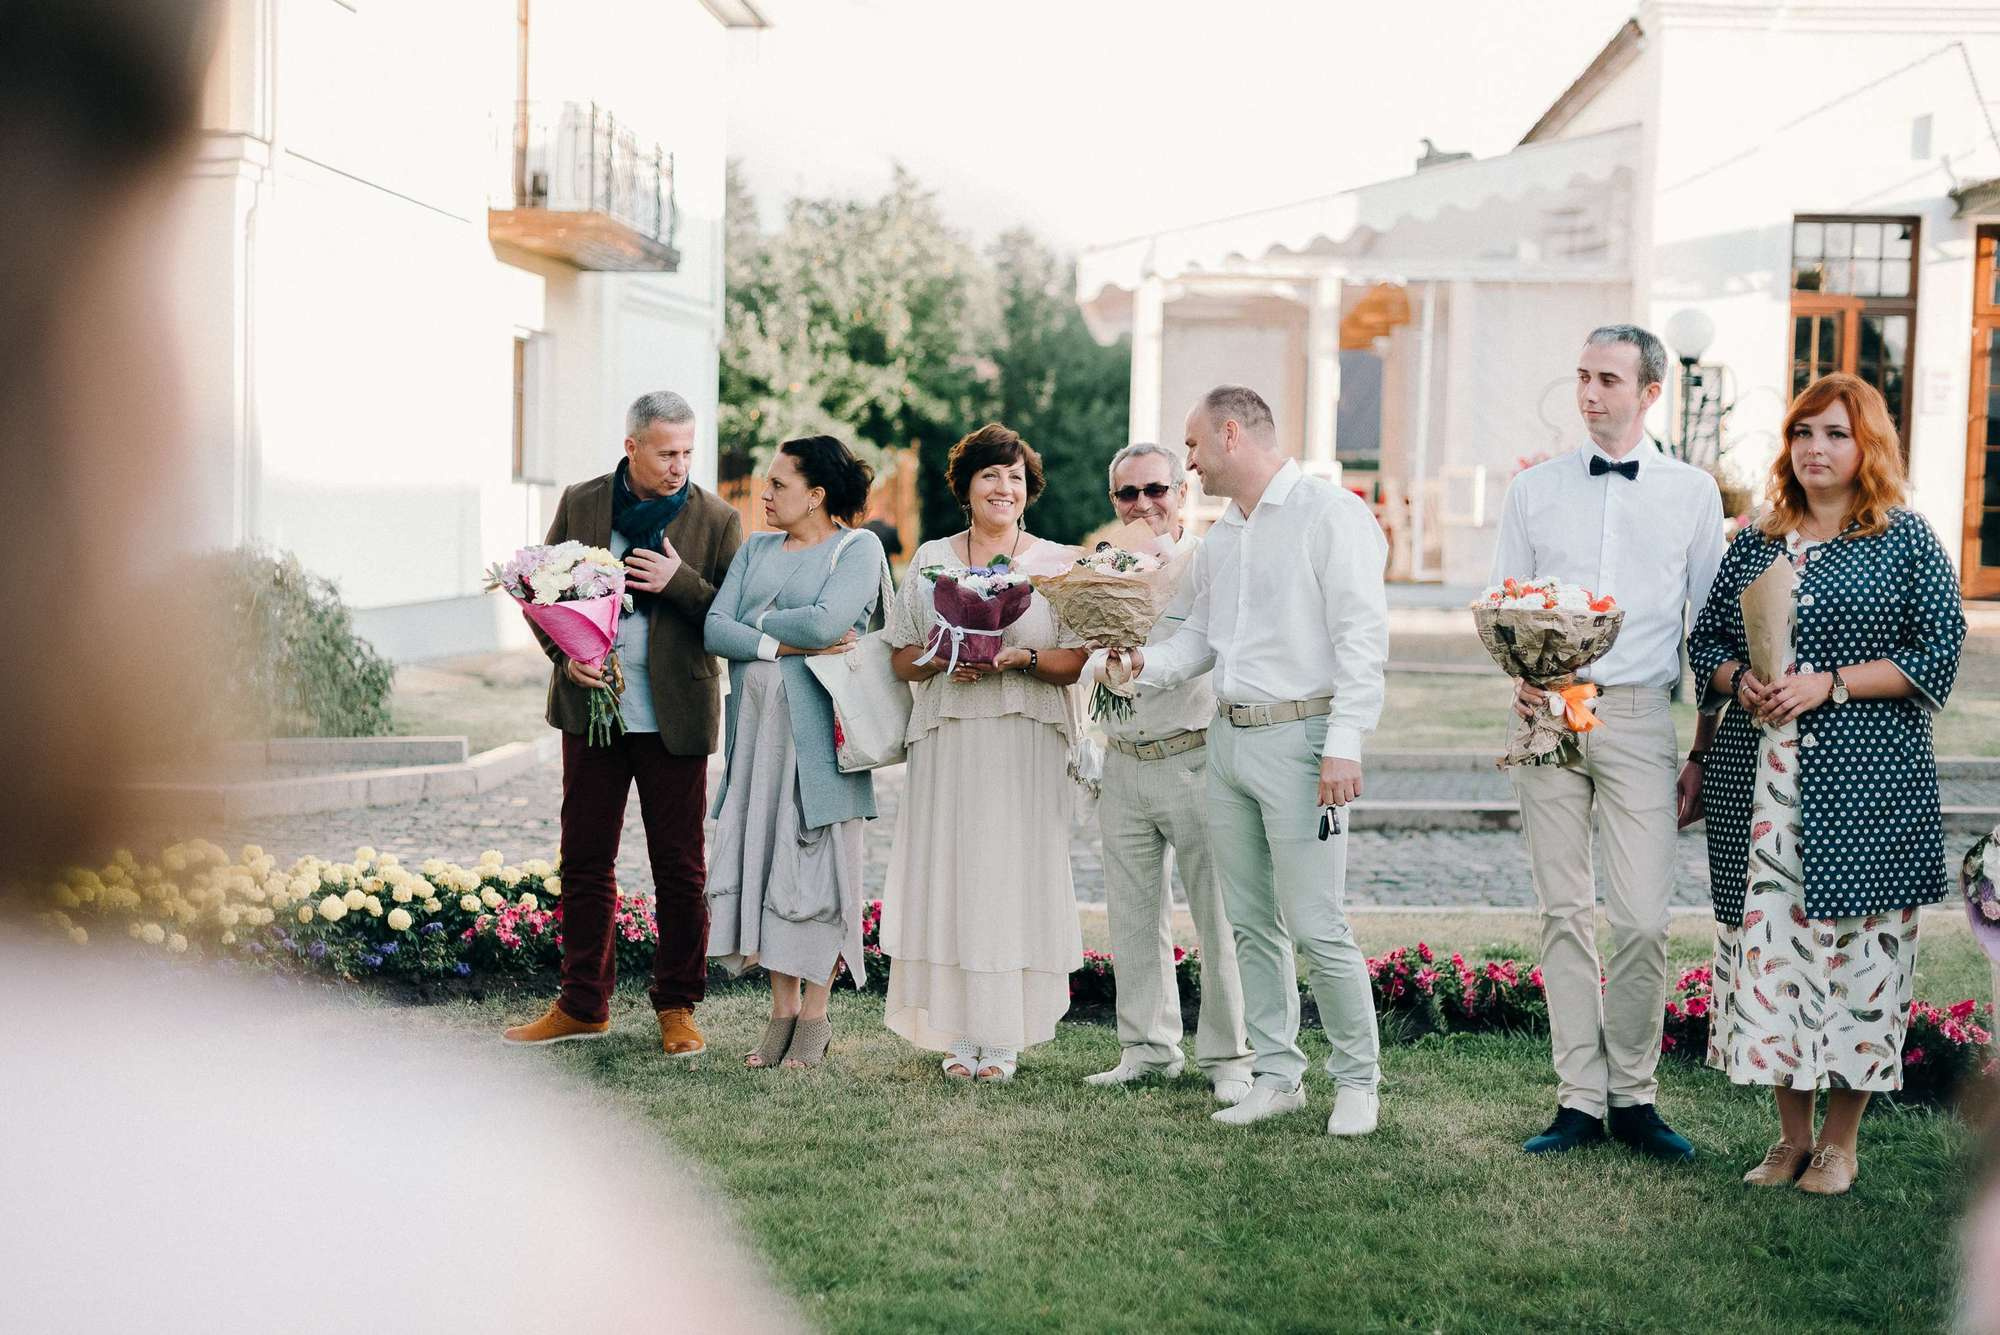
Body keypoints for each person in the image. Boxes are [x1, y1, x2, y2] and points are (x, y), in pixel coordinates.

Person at [1689, 372, 1964, 1195]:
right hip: (1763, 786)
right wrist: (1742, 682)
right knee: (1770, 956)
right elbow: (1705, 642)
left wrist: (1830, 683)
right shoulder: (1760, 539)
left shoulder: (1905, 540)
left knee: (1859, 959)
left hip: (1865, 785)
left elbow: (1936, 653)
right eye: (1804, 433)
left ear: (1866, 445)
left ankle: (1841, 1142)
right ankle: (1789, 1137)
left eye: (1835, 433)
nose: (1815, 448)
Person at [1109, 385, 1388, 1136]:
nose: (1188, 462)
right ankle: (1276, 1074)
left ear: (1232, 434)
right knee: (1249, 922)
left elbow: (1363, 641)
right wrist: (1141, 665)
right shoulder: (1225, 534)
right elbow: (1200, 639)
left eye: (1193, 447)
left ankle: (1357, 1081)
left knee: (1317, 920)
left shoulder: (1332, 515)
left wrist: (1344, 743)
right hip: (1225, 742)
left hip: (1304, 743)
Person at [1487, 325, 1723, 1162]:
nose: (1591, 393)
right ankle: (1579, 1100)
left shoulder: (1694, 494)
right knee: (1561, 911)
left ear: (1649, 392)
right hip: (1546, 714)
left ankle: (1636, 1095)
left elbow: (1711, 631)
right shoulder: (1534, 490)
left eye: (1609, 380)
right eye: (1583, 376)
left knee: (1644, 918)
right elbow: (1505, 601)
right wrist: (1518, 674)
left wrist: (1700, 750)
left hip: (1635, 716)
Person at [503, 392, 743, 1056]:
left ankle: (677, 1005)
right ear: (632, 446)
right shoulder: (582, 503)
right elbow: (535, 587)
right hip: (591, 713)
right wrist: (565, 656)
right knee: (584, 859)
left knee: (680, 867)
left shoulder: (717, 519)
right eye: (667, 452)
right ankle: (583, 1004)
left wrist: (680, 581)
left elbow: (732, 621)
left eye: (688, 452)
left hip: (675, 715)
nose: (679, 466)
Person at [882, 423, 1088, 1082]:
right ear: (966, 488)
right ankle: (961, 1028)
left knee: (1011, 876)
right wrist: (949, 656)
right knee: (957, 872)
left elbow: (1073, 660)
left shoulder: (1055, 560)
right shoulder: (933, 559)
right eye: (991, 475)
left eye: (1016, 478)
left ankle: (1003, 1035)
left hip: (1023, 734)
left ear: (1028, 493)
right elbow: (900, 656)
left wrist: (1017, 658)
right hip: (952, 734)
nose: (1005, 487)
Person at [704, 435, 888, 1070]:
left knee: (814, 871)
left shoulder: (857, 548)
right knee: (762, 862)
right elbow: (712, 627)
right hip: (754, 741)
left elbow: (826, 621)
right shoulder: (755, 548)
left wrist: (758, 626)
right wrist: (787, 638)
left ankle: (815, 1018)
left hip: (819, 746)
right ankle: (780, 1012)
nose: (764, 494)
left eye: (778, 484)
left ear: (816, 495)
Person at [1080, 443, 1253, 1104]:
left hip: (1195, 752)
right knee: (1131, 913)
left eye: (1156, 488)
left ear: (1182, 491)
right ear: (1115, 501)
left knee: (1219, 912)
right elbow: (1084, 648)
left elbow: (1216, 647)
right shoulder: (1101, 562)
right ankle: (1147, 1047)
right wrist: (1105, 659)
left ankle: (1231, 1054)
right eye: (1128, 493)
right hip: (1123, 760)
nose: (1143, 503)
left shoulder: (1210, 558)